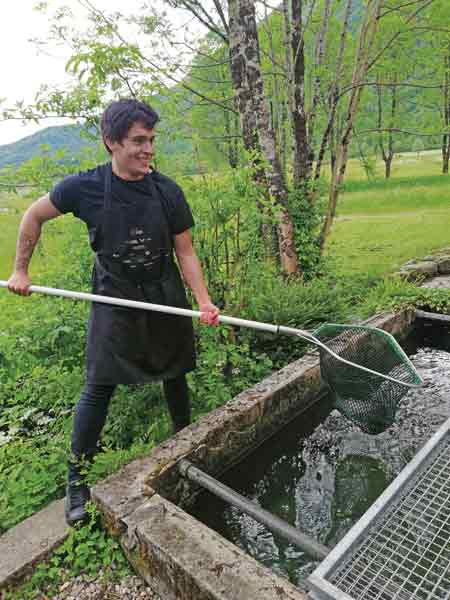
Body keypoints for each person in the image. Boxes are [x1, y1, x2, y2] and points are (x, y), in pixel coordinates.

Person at [7, 98, 219, 526]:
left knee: (176, 371)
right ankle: (77, 481)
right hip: (113, 293)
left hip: (162, 289)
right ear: (111, 142)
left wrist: (202, 300)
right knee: (99, 384)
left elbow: (185, 250)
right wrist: (20, 270)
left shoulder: (168, 191)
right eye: (138, 141)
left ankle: (184, 440)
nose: (148, 150)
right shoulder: (83, 188)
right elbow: (33, 215)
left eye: (151, 140)